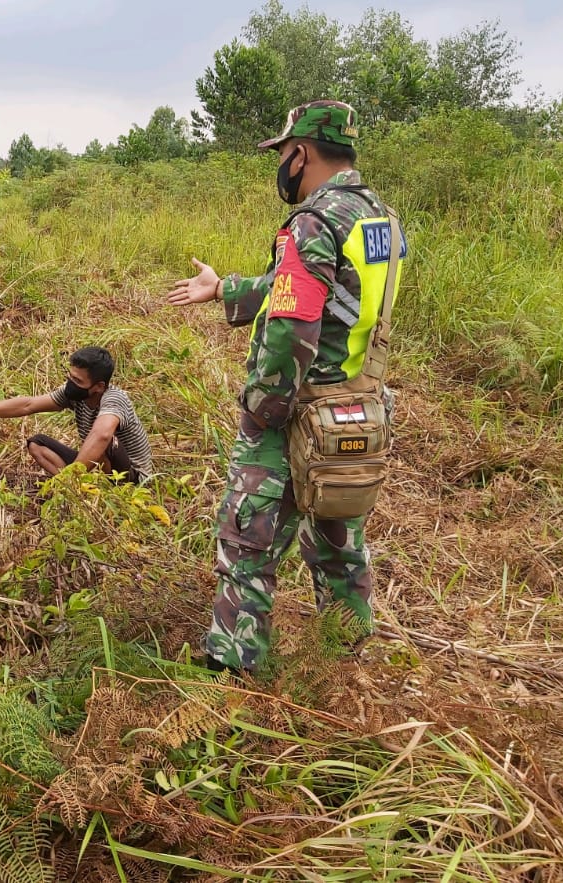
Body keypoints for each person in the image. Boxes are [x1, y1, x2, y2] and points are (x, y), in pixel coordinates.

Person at [167, 100, 406, 674]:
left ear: (300, 153)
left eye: (282, 154)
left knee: (248, 537)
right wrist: (225, 288)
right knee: (338, 540)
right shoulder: (377, 217)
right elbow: (312, 288)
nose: (281, 166)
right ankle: (346, 662)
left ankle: (233, 666)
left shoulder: (314, 221)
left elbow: (294, 324)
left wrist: (263, 409)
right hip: (356, 407)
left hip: (297, 414)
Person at [0, 346, 153, 484]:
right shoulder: (74, 395)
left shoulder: (115, 398)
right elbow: (27, 405)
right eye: (70, 377)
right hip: (95, 466)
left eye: (78, 381)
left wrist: (74, 474)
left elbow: (102, 435)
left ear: (98, 386)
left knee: (105, 441)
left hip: (131, 477)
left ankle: (74, 484)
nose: (71, 384)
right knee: (37, 444)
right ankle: (75, 490)